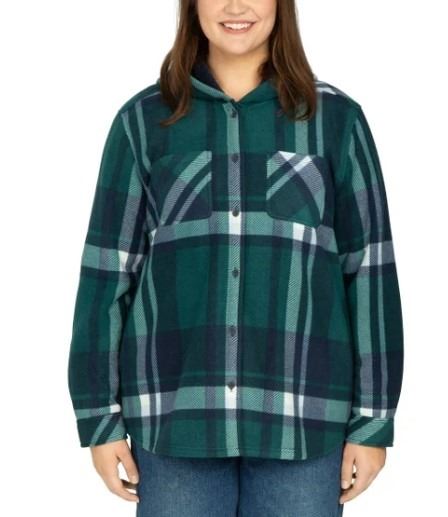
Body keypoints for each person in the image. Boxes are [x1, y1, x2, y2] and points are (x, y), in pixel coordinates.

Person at [67, 1, 404, 516]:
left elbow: (370, 271)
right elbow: (108, 273)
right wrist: (98, 418)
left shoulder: (335, 121)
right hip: (174, 423)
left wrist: (374, 421)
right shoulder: (143, 122)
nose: (236, 6)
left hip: (304, 421)